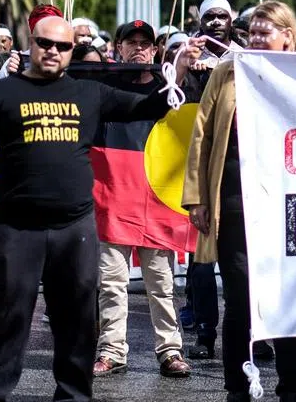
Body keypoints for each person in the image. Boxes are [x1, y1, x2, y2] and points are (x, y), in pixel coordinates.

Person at [0, 14, 199, 402]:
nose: (53, 52)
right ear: (31, 44)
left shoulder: (88, 93)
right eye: (46, 43)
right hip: (15, 229)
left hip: (74, 231)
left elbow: (151, 107)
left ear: (70, 52)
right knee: (6, 325)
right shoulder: (2, 94)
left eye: (62, 47)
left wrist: (177, 72)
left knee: (77, 328)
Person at [184, 0, 296, 402]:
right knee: (239, 298)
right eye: (251, 31)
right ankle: (236, 387)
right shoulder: (226, 73)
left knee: (289, 301)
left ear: (287, 36)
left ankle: (291, 388)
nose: (254, 38)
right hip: (235, 200)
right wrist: (197, 198)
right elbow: (201, 136)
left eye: (264, 30)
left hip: (293, 206)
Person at [92, 20, 201, 380]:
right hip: (113, 198)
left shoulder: (170, 90)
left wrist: (187, 65)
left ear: (156, 51)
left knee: (162, 284)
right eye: (130, 41)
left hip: (156, 200)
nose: (138, 47)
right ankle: (111, 350)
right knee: (111, 284)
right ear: (117, 49)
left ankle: (170, 350)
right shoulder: (101, 87)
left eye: (145, 42)